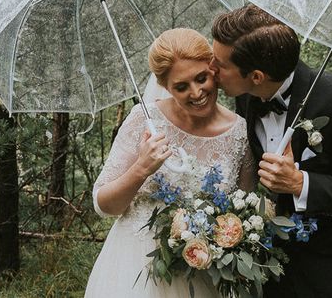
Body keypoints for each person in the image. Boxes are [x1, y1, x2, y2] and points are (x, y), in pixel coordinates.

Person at [211, 5, 332, 298]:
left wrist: (301, 184)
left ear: (256, 76)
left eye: (219, 64)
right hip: (274, 270)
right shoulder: (247, 98)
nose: (211, 69)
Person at [85, 28, 255, 297]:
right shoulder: (144, 120)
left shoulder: (240, 133)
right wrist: (142, 168)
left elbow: (244, 214)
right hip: (136, 270)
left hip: (205, 276)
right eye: (181, 86)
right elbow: (104, 205)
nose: (197, 92)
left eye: (202, 78)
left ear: (214, 70)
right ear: (165, 87)